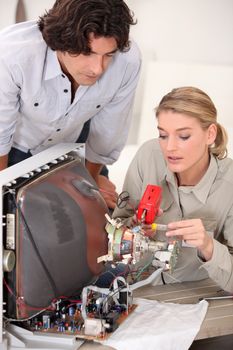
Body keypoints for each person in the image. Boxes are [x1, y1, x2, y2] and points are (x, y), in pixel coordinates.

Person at [0, 0, 141, 209]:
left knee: (96, 216)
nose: (98, 69)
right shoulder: (12, 54)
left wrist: (89, 187)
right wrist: (6, 200)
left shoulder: (127, 62)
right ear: (59, 41)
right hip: (13, 150)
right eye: (87, 53)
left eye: (108, 55)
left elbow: (107, 134)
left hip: (74, 146)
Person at [113, 86, 233, 293]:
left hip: (196, 296)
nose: (169, 148)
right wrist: (132, 228)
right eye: (163, 135)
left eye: (184, 136)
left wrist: (208, 246)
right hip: (136, 289)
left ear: (210, 134)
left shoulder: (229, 185)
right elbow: (117, 226)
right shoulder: (148, 155)